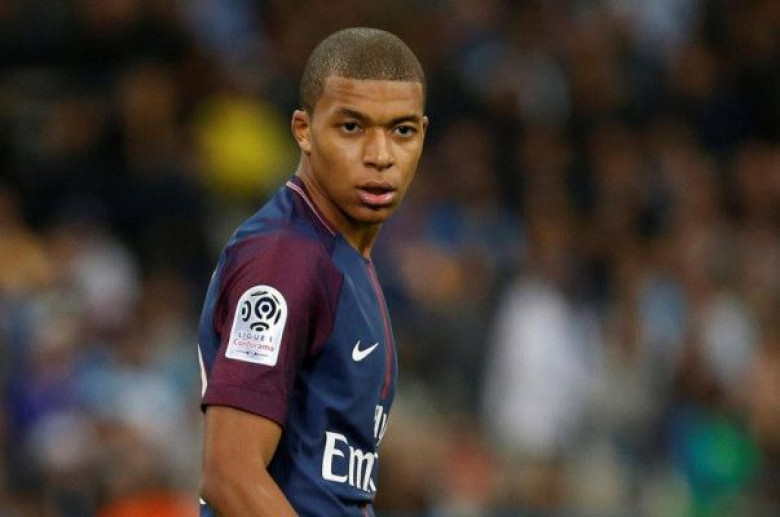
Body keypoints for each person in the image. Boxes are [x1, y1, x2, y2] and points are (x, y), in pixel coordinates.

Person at [197, 27, 428, 516]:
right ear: (303, 129)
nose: (380, 156)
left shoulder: (344, 257)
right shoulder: (285, 258)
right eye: (352, 127)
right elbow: (230, 475)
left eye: (402, 130)